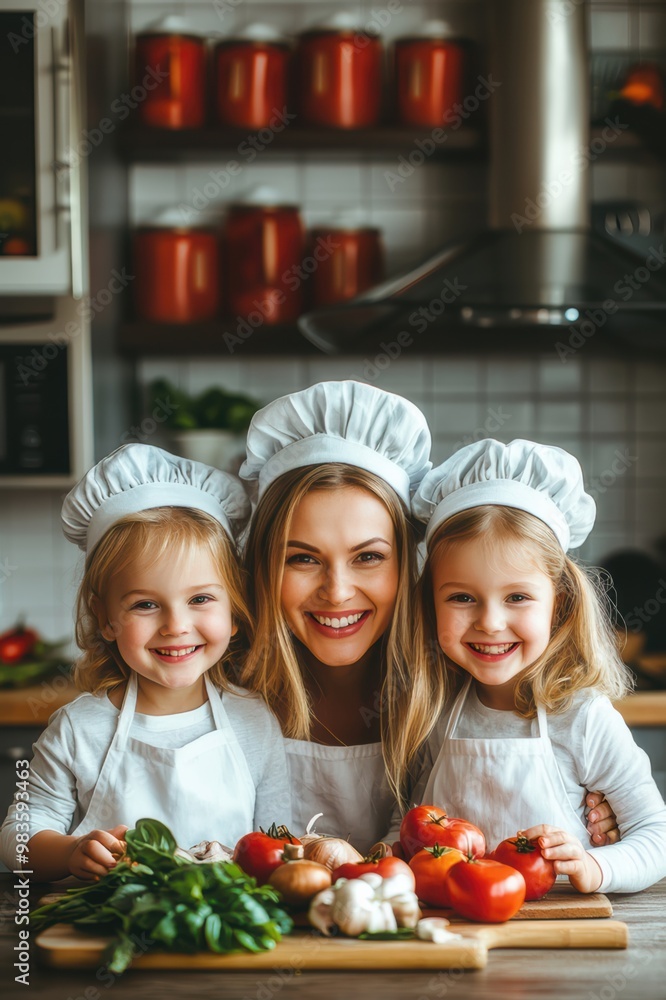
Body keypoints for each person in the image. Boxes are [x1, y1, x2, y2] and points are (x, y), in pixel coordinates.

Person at [238, 382, 615, 854]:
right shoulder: (216, 684)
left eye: (368, 557)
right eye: (303, 559)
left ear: (411, 566)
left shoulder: (460, 687)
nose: (336, 592)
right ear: (262, 563)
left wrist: (588, 815)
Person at [0, 444, 290, 882]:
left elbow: (278, 839)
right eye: (145, 604)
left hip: (223, 936)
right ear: (105, 618)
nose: (176, 626)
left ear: (234, 611)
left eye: (200, 599)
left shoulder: (255, 722)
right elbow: (17, 837)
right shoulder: (80, 730)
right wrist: (70, 852)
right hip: (111, 933)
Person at [405, 437, 666, 893]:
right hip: (453, 926)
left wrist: (595, 866)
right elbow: (409, 827)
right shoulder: (434, 710)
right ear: (430, 604)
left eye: (517, 597)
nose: (490, 622)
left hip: (558, 932)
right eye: (462, 597)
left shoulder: (583, 717)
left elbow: (656, 835)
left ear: (558, 604)